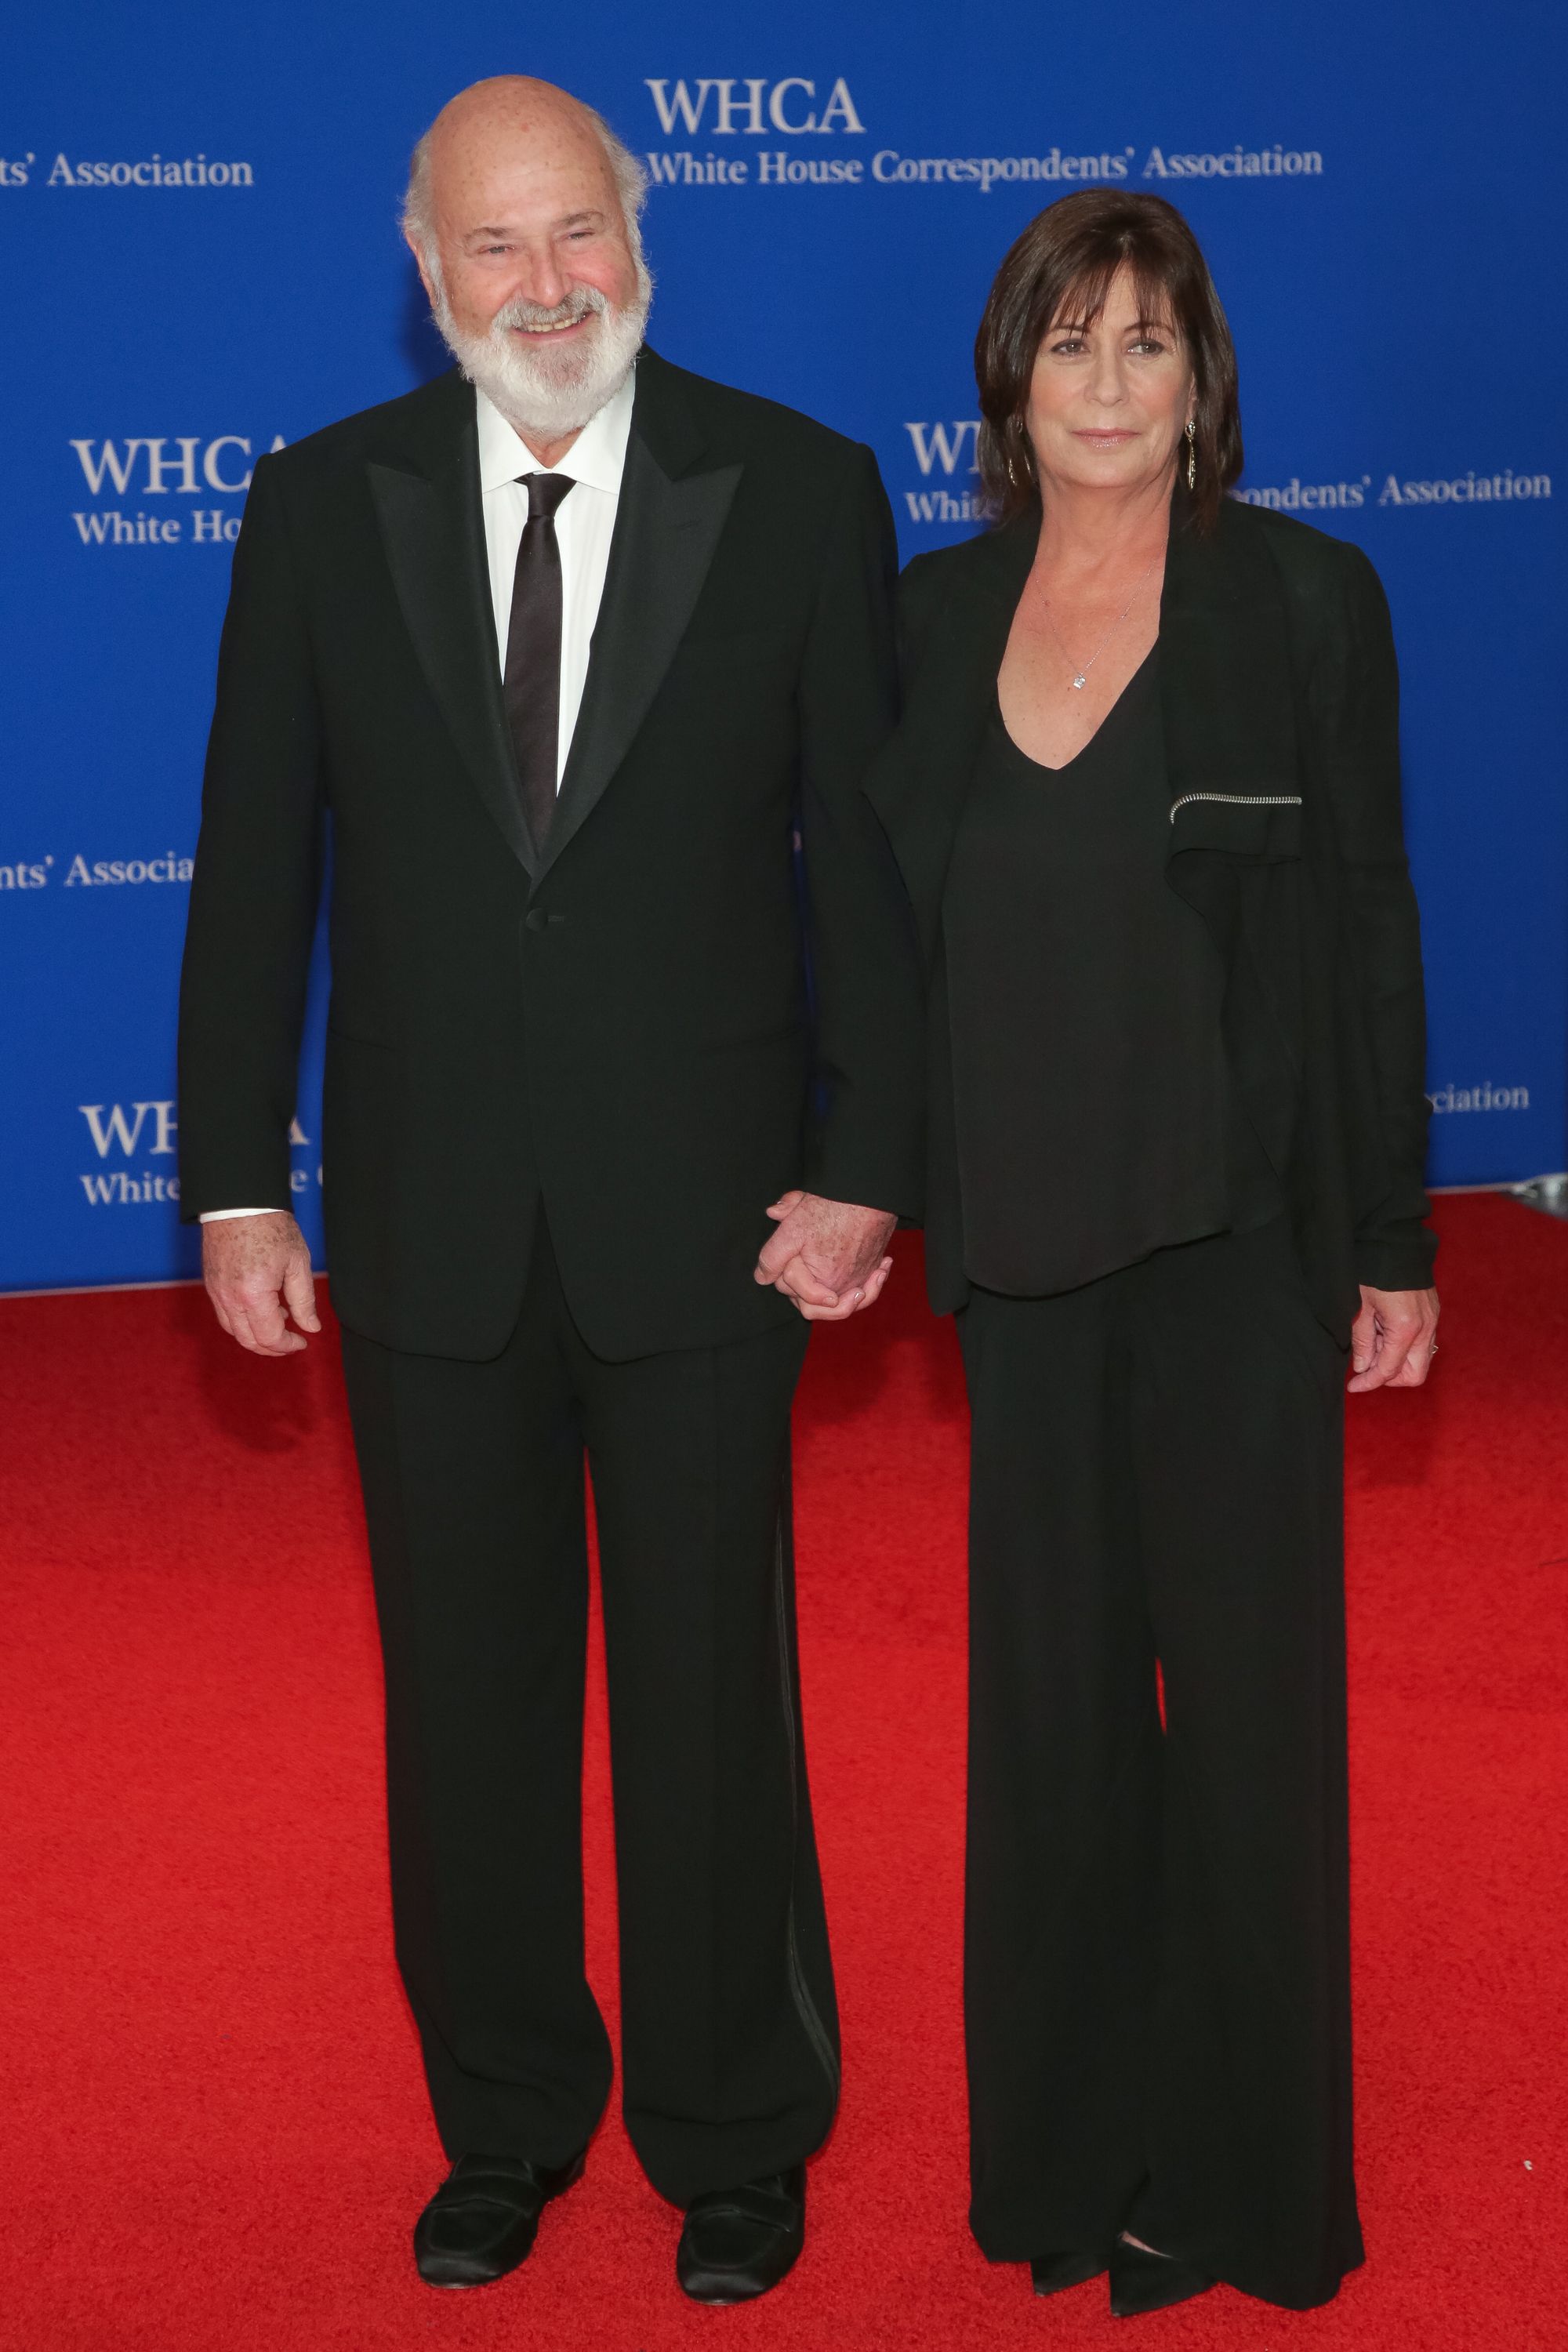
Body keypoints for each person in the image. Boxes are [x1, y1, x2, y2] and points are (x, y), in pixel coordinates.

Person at [177, 75, 922, 2306]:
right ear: (430, 281)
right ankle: (504, 2116)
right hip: (426, 1227)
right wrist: (234, 1181)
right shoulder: (321, 505)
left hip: (711, 1219)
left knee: (716, 1705)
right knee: (466, 1708)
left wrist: (866, 1160)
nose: (545, 281)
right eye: (494, 245)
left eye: (575, 229)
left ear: (641, 233)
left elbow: (866, 877)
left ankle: (735, 2134)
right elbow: (252, 871)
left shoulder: (795, 489)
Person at [862, 190, 1439, 2317]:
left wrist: (1391, 1234)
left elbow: (1368, 923)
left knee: (1255, 1733)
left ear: (1206, 384)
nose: (1108, 385)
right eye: (1070, 344)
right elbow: (878, 950)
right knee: (1057, 1731)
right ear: (1008, 379)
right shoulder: (928, 621)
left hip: (1234, 1251)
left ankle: (1251, 2175)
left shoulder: (1304, 599)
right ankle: (1072, 2147)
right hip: (1022, 1261)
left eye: (1150, 347)